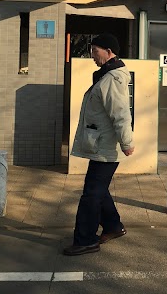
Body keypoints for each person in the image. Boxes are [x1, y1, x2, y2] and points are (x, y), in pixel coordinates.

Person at [63, 33, 135, 256]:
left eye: (95, 51)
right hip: (101, 145)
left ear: (109, 51)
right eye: (92, 51)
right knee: (98, 190)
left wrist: (127, 142)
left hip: (106, 146)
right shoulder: (106, 76)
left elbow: (121, 113)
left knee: (91, 195)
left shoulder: (112, 79)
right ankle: (113, 226)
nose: (92, 56)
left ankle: (86, 239)